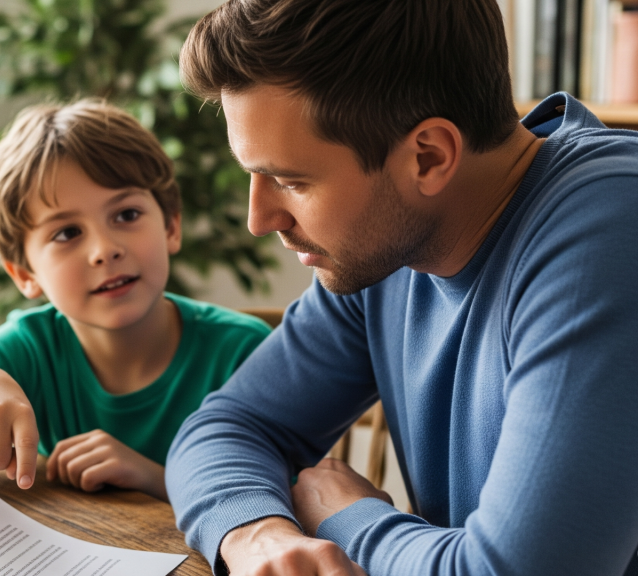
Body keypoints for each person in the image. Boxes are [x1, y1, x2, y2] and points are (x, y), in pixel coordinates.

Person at [164, 0, 638, 575]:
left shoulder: (611, 236)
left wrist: (348, 517)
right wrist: (259, 535)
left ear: (428, 157)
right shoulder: (389, 251)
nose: (259, 220)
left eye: (290, 181)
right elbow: (228, 428)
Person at [0, 99, 270, 502]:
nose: (104, 250)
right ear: (24, 274)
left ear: (171, 227)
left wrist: (155, 478)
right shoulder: (27, 351)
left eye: (127, 215)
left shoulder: (244, 352)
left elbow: (285, 496)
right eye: (66, 234)